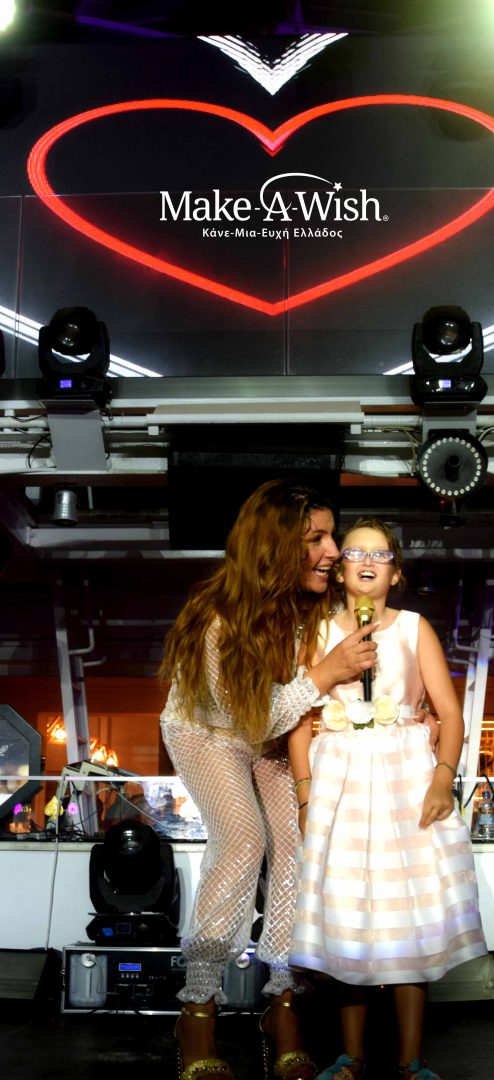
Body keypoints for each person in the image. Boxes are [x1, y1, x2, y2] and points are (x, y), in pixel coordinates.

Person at [159, 479, 382, 1080]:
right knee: (243, 840)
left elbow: (288, 713)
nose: (332, 551)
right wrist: (326, 673)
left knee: (297, 848)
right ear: (274, 547)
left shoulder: (313, 611)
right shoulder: (218, 619)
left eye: (331, 537)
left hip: (274, 737)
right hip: (208, 732)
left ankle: (282, 1005)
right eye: (316, 539)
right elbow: (249, 718)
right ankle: (197, 1009)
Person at [288, 518, 487, 1080]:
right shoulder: (317, 632)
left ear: (395, 573)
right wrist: (305, 795)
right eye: (355, 553)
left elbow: (450, 715)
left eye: (380, 555)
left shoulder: (414, 628)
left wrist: (442, 778)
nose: (367, 562)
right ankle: (350, 1056)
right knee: (349, 917)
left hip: (405, 780)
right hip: (340, 782)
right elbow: (298, 721)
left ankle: (410, 1059)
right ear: (340, 570)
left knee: (407, 917)